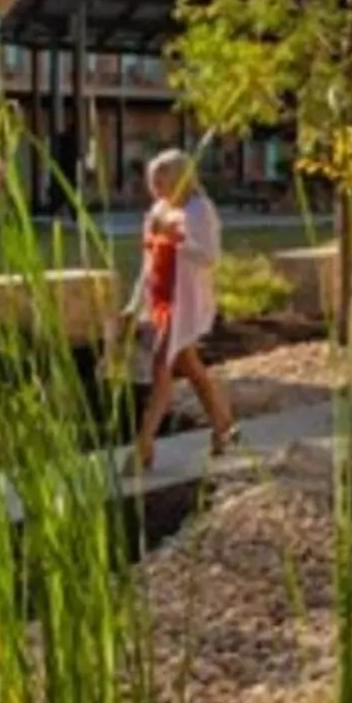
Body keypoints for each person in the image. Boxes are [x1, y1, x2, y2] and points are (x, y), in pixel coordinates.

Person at [128, 148, 236, 472]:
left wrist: (178, 240)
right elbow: (149, 262)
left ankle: (144, 446)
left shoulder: (199, 210)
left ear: (179, 179)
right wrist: (134, 304)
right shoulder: (158, 211)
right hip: (161, 299)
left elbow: (210, 257)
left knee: (162, 368)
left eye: (161, 183)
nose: (156, 190)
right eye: (153, 184)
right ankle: (223, 424)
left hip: (185, 302)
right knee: (190, 367)